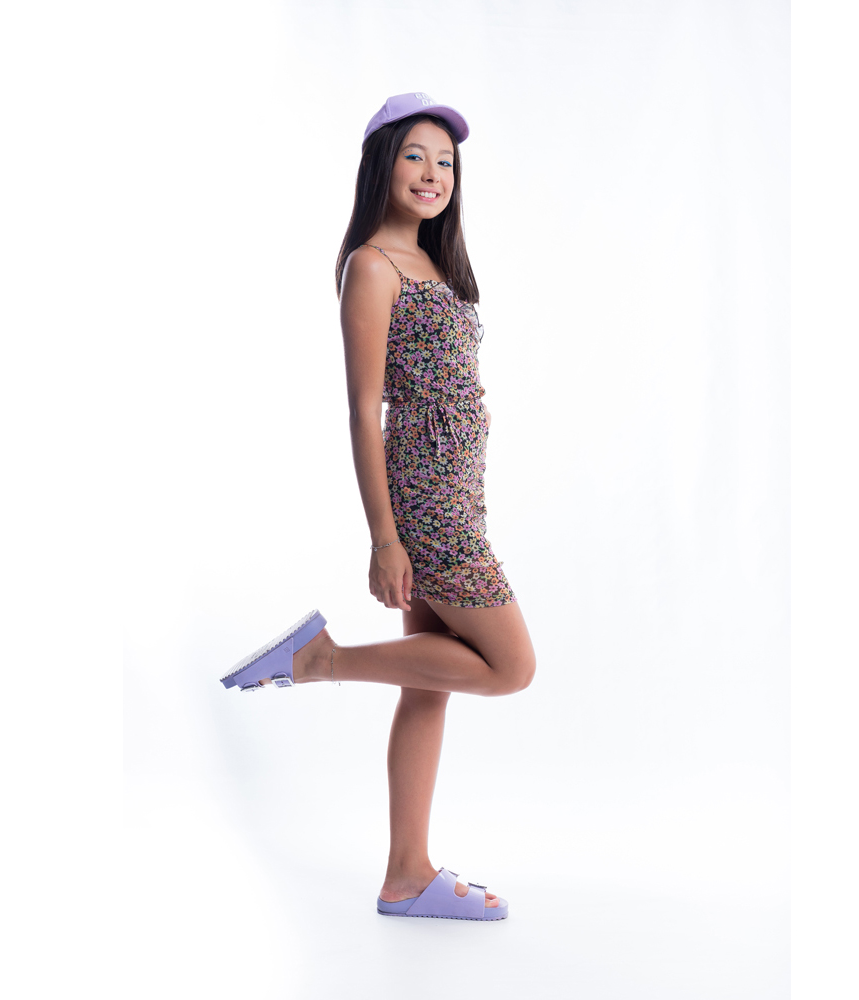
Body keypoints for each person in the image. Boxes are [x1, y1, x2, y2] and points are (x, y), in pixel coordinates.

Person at [220, 93, 534, 921]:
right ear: (382, 165)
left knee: (428, 686)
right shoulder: (372, 265)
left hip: (459, 491)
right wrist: (384, 537)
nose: (433, 174)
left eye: (446, 161)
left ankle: (406, 876)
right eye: (415, 156)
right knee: (512, 667)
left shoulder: (435, 264)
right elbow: (365, 410)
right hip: (428, 502)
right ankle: (320, 660)